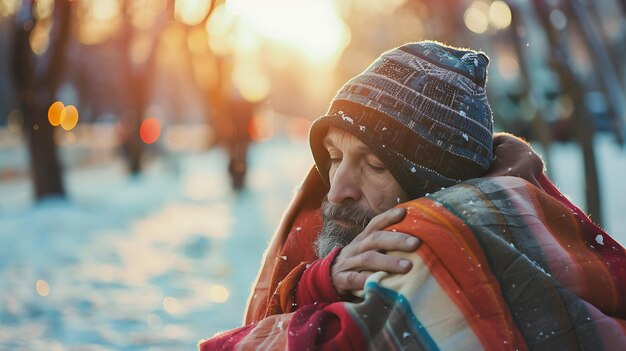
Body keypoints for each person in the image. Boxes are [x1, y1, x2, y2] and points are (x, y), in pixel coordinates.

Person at [200, 41, 626, 350]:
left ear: (436, 187)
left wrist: (312, 289)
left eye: (376, 165)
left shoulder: (431, 251)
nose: (337, 188)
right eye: (333, 156)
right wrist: (319, 281)